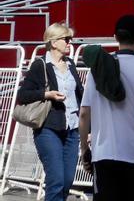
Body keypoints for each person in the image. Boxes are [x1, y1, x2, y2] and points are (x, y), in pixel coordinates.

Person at [80, 15, 134, 201]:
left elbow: (85, 114)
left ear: (115, 37)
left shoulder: (98, 68)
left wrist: (84, 148)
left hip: (103, 155)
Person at [17, 23, 83, 201]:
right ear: (53, 43)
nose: (70, 43)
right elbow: (22, 95)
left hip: (72, 129)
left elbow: (80, 95)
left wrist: (88, 127)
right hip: (48, 129)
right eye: (66, 39)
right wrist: (47, 94)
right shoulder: (40, 65)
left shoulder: (70, 64)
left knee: (68, 180)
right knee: (56, 180)